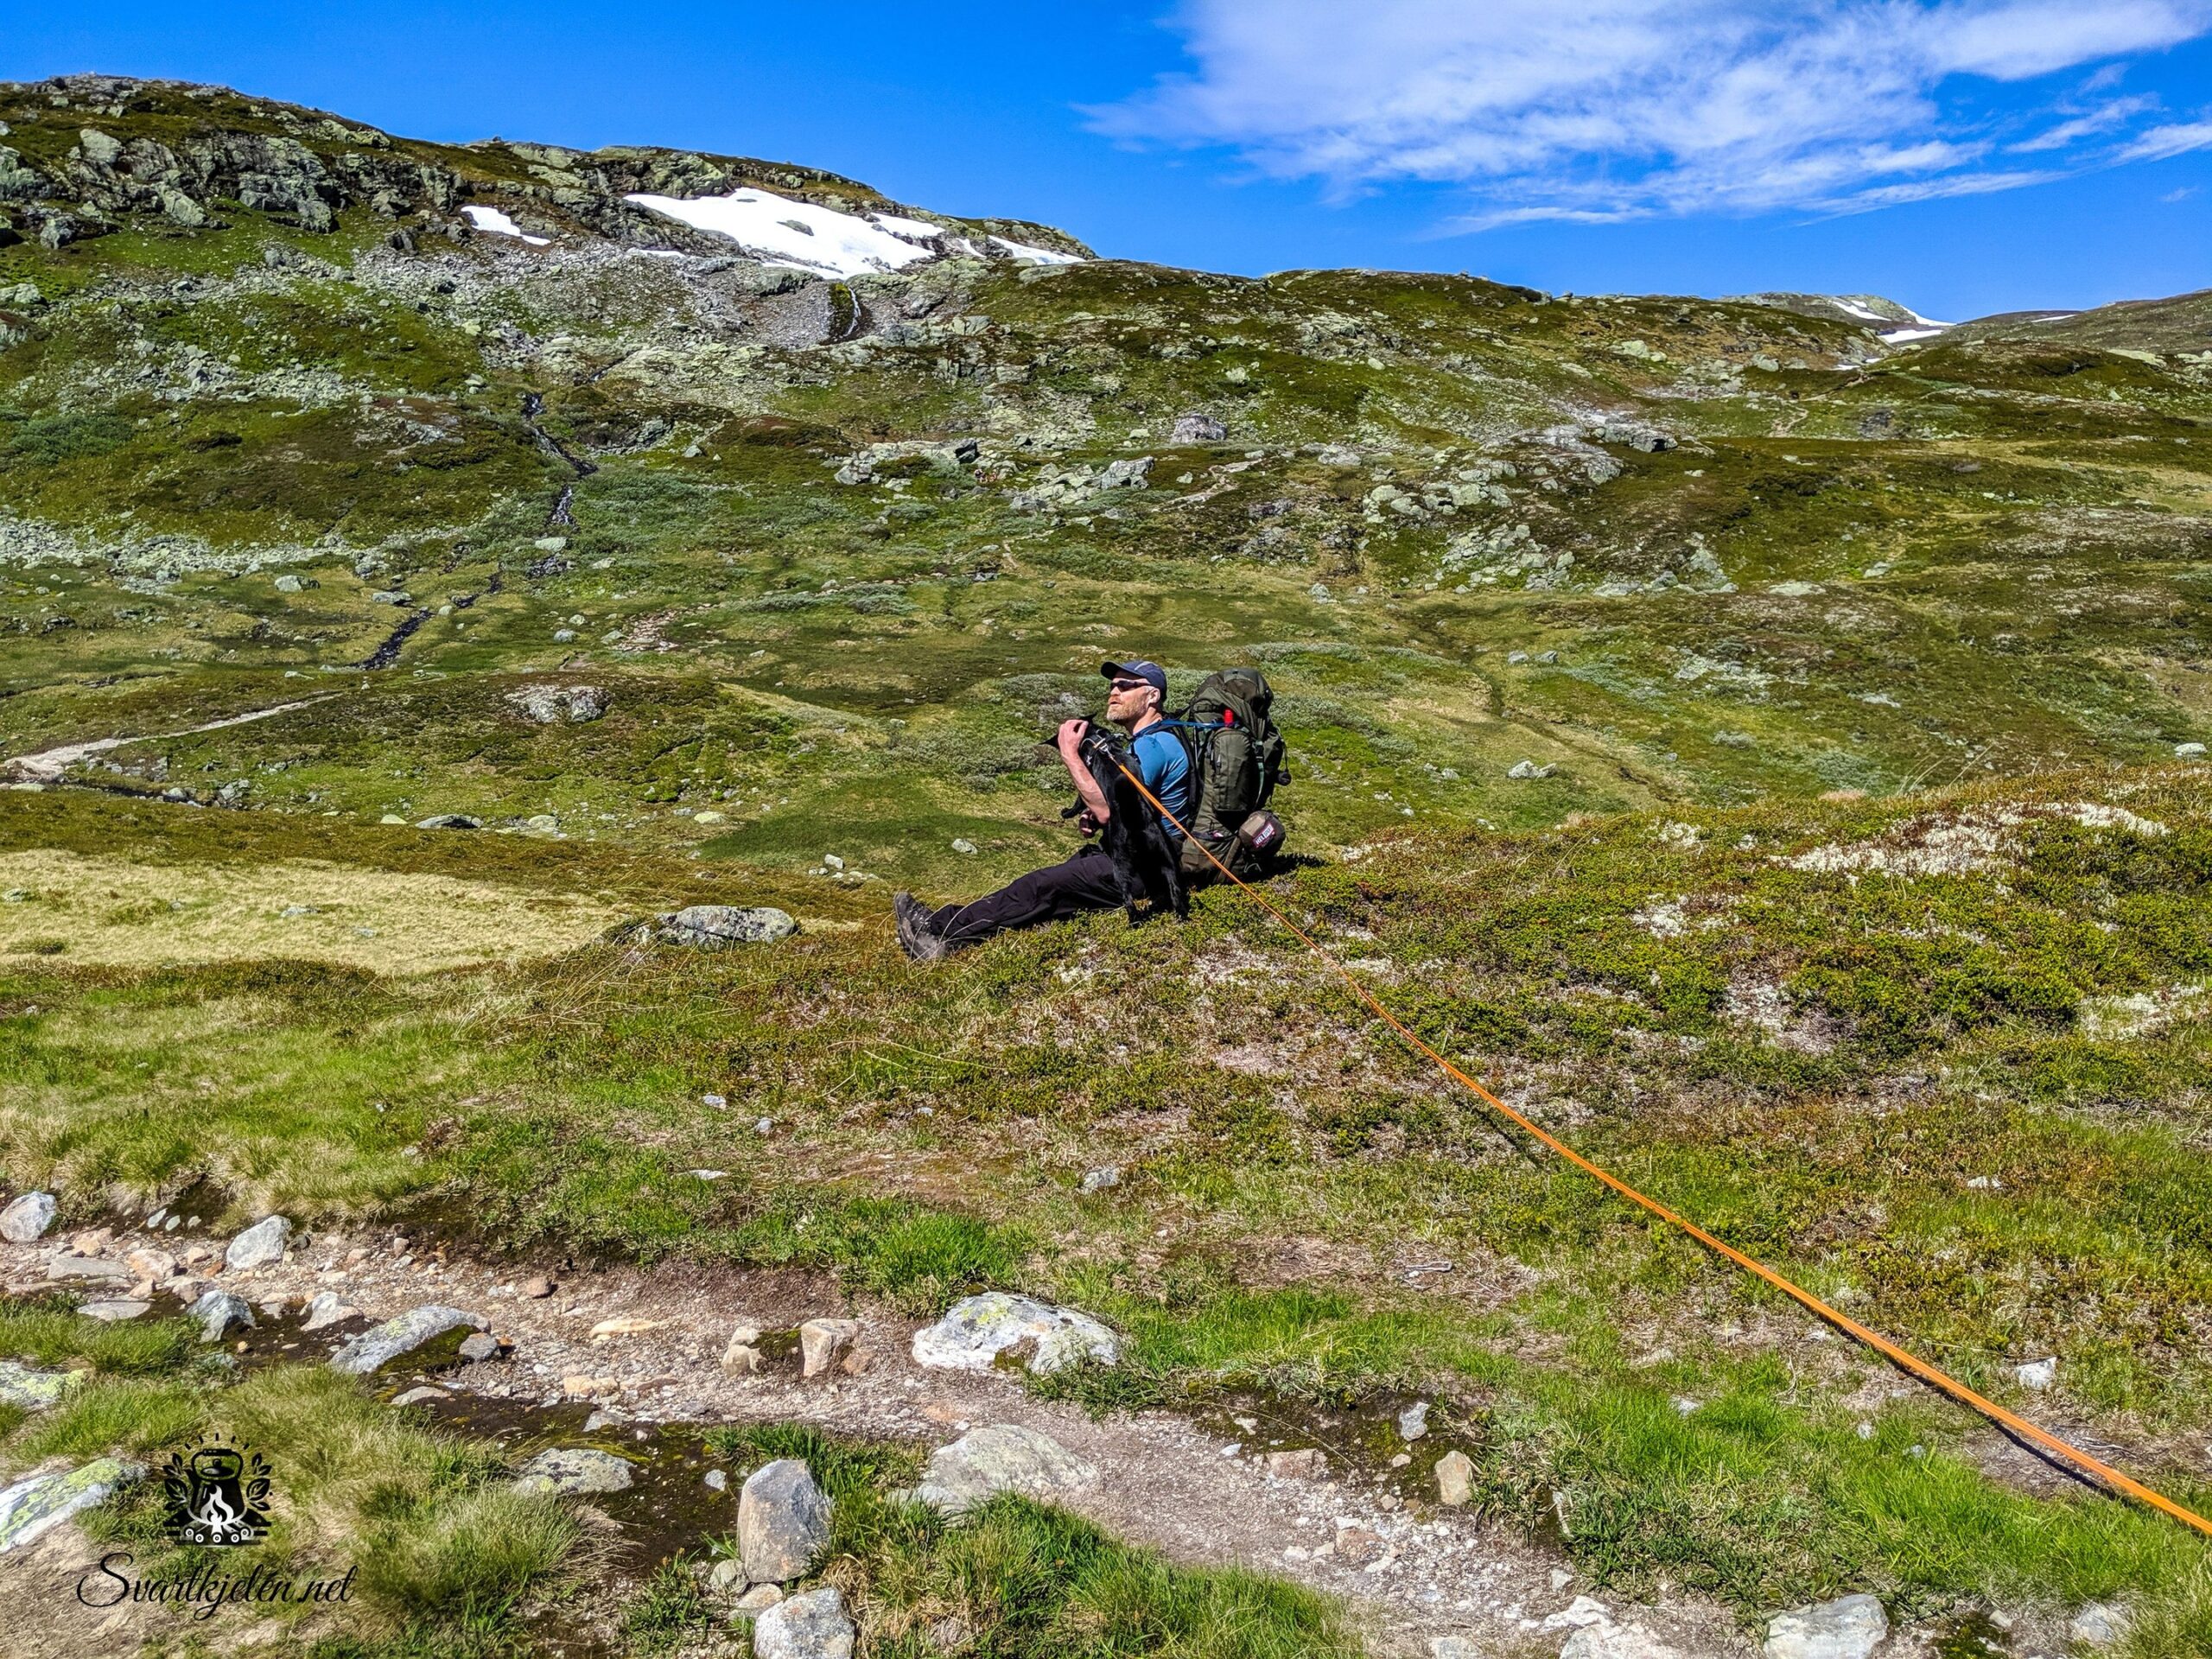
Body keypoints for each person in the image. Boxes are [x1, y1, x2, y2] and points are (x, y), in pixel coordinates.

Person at [893, 660, 1192, 960]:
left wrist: (1069, 754)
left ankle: (938, 934)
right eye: (1112, 685)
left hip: (1143, 869)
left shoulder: (1152, 747)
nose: (1114, 692)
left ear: (1152, 696)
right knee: (1049, 890)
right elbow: (1126, 808)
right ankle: (950, 929)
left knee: (1039, 886)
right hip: (1138, 858)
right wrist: (1099, 817)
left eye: (1125, 686)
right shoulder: (1156, 740)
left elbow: (1106, 811)